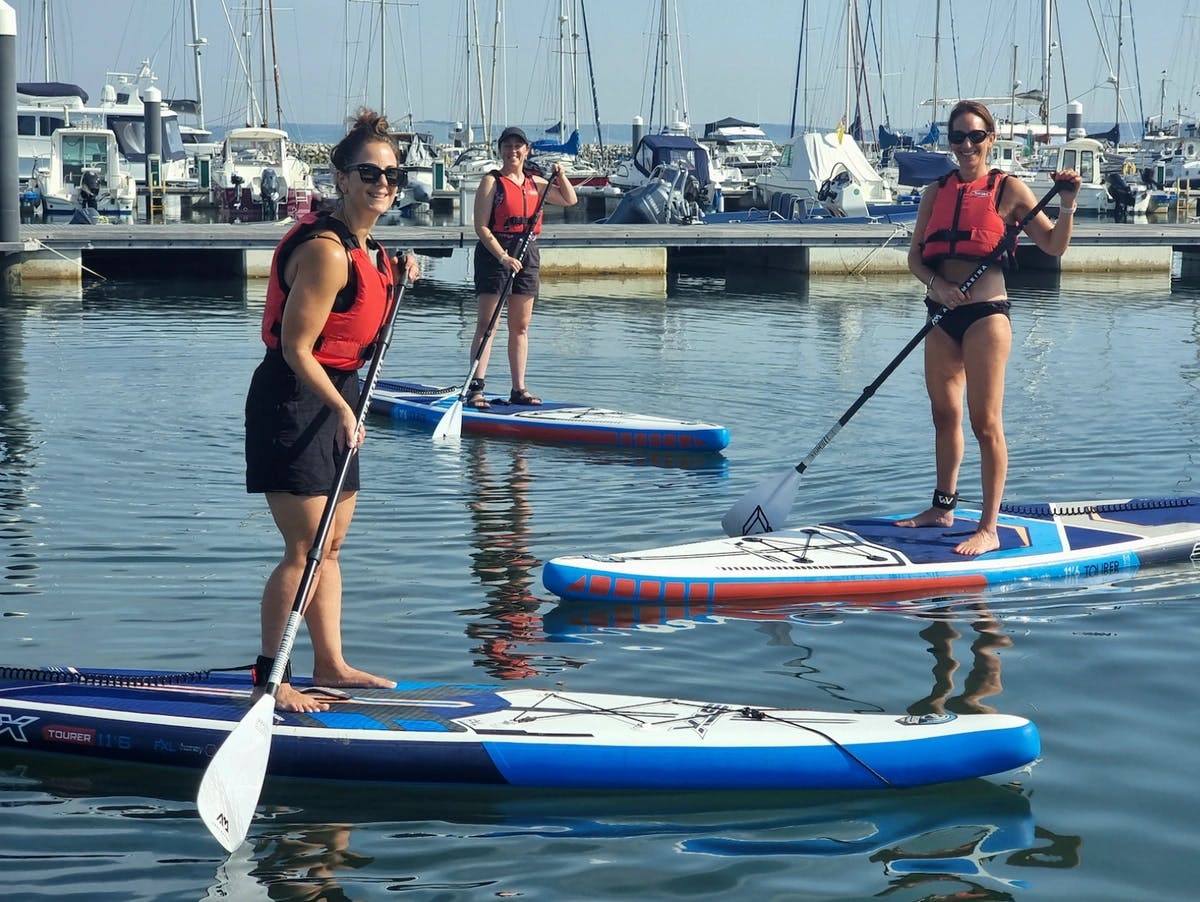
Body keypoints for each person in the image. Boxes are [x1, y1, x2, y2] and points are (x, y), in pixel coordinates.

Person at [245, 109, 420, 713]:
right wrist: (341, 412)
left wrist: (396, 281)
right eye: (367, 172)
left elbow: (354, 331)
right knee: (304, 547)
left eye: (392, 175)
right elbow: (295, 349)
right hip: (295, 400)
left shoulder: (371, 252)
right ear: (340, 178)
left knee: (333, 543)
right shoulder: (325, 251)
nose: (382, 183)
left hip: (335, 396)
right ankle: (271, 678)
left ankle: (332, 664)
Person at [896, 100, 1081, 556]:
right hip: (941, 313)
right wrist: (937, 286)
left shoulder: (1009, 189)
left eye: (975, 136)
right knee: (944, 416)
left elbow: (1053, 246)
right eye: (957, 137)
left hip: (986, 316)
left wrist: (1068, 205)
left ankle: (989, 526)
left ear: (990, 139)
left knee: (985, 423)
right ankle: (943, 507)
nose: (966, 146)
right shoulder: (934, 194)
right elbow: (916, 258)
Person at [465, 126, 577, 410]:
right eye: (507, 146)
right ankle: (476, 388)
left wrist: (561, 175)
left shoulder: (535, 183)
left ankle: (519, 388)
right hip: (496, 253)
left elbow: (570, 199)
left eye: (518, 146)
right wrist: (502, 256)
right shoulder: (492, 181)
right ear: (500, 150)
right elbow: (480, 226)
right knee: (487, 325)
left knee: (521, 326)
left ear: (526, 151)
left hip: (527, 251)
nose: (512, 151)